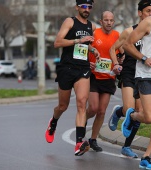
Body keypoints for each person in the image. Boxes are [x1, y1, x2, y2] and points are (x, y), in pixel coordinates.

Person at [45, 0, 100, 156]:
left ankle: (79, 142)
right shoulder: (70, 21)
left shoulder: (92, 26)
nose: (87, 9)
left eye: (89, 7)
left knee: (82, 103)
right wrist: (78, 40)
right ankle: (53, 122)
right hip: (66, 68)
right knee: (63, 106)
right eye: (84, 6)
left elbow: (84, 45)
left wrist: (92, 49)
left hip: (83, 68)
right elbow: (57, 42)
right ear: (77, 7)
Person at [108, 0, 151, 158]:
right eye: (147, 11)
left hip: (144, 75)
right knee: (130, 109)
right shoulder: (130, 31)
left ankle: (126, 146)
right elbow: (112, 48)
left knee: (139, 113)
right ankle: (118, 112)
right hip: (128, 73)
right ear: (140, 13)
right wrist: (116, 64)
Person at [122, 0, 151, 169]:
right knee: (150, 117)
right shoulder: (149, 22)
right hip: (146, 76)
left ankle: (146, 157)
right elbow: (127, 45)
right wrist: (144, 58)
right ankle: (132, 115)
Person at [86, 11, 123, 152]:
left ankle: (93, 139)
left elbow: (120, 54)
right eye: (106, 20)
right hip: (94, 75)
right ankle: (82, 122)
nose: (108, 22)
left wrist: (120, 61)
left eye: (111, 20)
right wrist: (87, 63)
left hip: (109, 77)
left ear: (113, 22)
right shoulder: (95, 34)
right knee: (93, 108)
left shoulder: (117, 36)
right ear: (101, 22)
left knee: (101, 111)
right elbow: (83, 49)